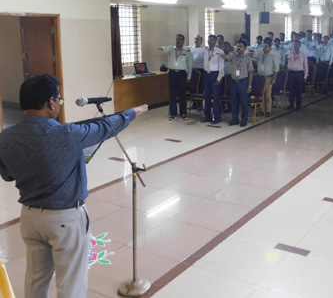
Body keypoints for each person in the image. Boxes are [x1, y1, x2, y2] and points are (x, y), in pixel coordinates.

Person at [0, 75, 148, 298]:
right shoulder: (66, 134)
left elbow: (8, 175)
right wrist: (132, 112)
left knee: (36, 278)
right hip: (65, 219)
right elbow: (105, 127)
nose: (59, 103)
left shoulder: (5, 137)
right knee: (71, 282)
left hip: (29, 218)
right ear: (51, 103)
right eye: (59, 99)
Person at [218, 40, 254, 127]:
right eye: (237, 46)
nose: (238, 48)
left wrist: (249, 86)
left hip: (243, 82)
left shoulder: (248, 58)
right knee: (234, 102)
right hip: (233, 81)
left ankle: (244, 120)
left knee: (244, 102)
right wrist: (221, 55)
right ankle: (235, 119)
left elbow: (251, 72)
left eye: (241, 46)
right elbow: (226, 57)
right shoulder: (233, 57)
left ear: (244, 48)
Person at [159, 34, 193, 120]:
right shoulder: (171, 49)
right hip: (172, 73)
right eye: (177, 39)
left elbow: (190, 65)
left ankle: (183, 113)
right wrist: (162, 48)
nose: (178, 41)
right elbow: (164, 48)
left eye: (180, 39)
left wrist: (189, 77)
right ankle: (173, 113)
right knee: (172, 94)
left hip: (182, 74)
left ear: (183, 41)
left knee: (182, 94)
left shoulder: (187, 51)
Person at [196, 35, 225, 124]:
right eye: (208, 40)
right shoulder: (205, 49)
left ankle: (217, 117)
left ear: (215, 41)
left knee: (215, 97)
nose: (209, 41)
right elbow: (196, 50)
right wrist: (188, 50)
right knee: (207, 96)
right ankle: (207, 116)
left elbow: (221, 67)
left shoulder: (219, 51)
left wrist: (219, 78)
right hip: (206, 74)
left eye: (211, 40)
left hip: (215, 74)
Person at [252, 38, 279, 117]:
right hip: (260, 77)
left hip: (268, 77)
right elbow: (254, 57)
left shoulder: (273, 55)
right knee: (261, 94)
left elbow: (276, 68)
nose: (264, 48)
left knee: (267, 95)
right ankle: (262, 109)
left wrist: (274, 78)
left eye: (266, 46)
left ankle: (268, 110)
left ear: (270, 47)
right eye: (263, 46)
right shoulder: (260, 54)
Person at [286, 39, 308, 111]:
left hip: (299, 74)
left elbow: (306, 66)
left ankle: (298, 106)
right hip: (291, 73)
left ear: (300, 46)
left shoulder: (303, 55)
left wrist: (305, 76)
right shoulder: (289, 53)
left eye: (297, 45)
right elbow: (285, 57)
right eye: (295, 45)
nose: (296, 46)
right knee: (291, 90)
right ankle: (291, 105)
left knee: (299, 90)